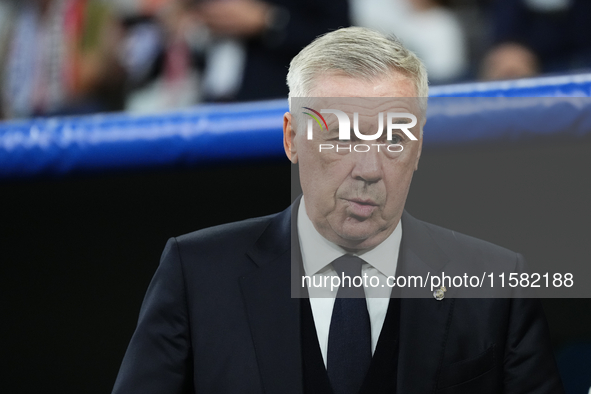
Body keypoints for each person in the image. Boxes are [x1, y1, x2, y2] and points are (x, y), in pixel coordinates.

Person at [112, 26, 564, 393]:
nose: (368, 168)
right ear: (291, 138)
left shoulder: (495, 284)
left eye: (393, 139)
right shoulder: (197, 274)